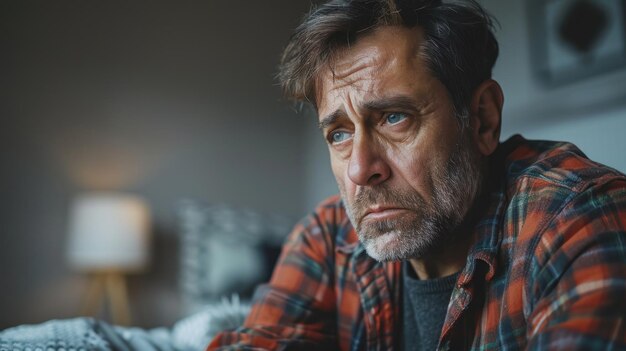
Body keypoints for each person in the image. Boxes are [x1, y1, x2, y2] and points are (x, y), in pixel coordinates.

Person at [208, 0, 626, 349]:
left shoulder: (580, 219)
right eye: (338, 133)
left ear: (481, 119)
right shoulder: (327, 238)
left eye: (394, 117)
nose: (359, 169)